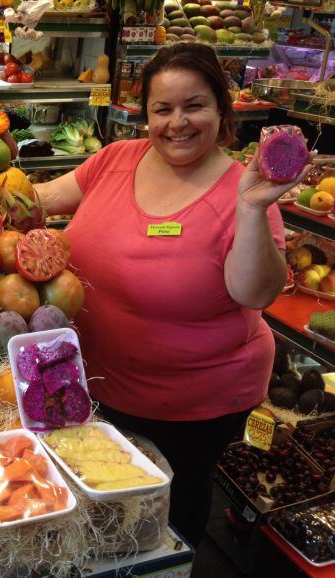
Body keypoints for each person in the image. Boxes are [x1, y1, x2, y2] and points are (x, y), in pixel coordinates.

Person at [34, 43, 310, 547]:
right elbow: (41, 199)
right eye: (163, 109)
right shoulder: (116, 159)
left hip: (191, 405)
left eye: (194, 106)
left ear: (222, 111)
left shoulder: (244, 192)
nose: (177, 122)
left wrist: (251, 210)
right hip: (95, 384)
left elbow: (255, 292)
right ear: (146, 116)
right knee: (100, 505)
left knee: (165, 524)